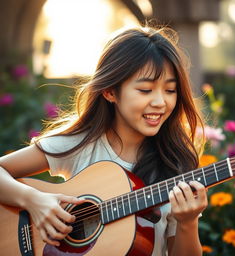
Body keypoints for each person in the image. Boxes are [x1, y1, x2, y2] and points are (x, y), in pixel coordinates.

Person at [0, 26, 208, 256]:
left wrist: (188, 223)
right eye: (146, 89)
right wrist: (34, 200)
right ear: (110, 92)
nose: (160, 102)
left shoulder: (176, 167)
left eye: (170, 90)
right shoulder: (80, 144)